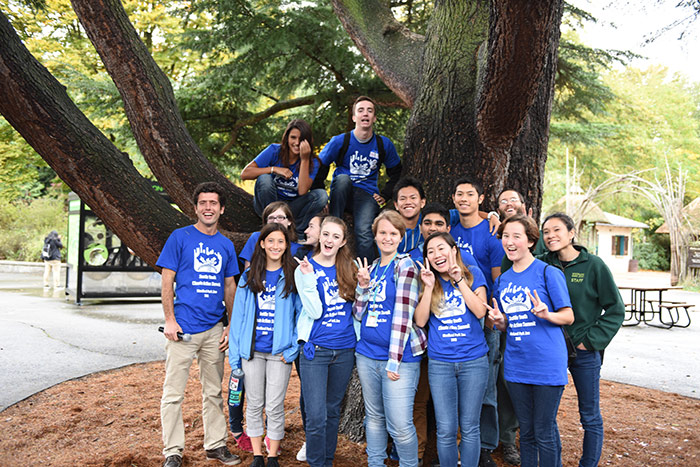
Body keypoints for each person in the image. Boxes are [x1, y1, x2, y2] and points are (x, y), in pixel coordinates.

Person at [156, 182, 241, 467]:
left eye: (213, 203)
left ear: (222, 209)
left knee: (214, 391)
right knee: (173, 394)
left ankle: (215, 445)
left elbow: (230, 287)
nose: (208, 208)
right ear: (195, 208)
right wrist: (170, 319)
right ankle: (173, 452)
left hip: (214, 329)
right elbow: (167, 279)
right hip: (182, 329)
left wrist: (230, 325)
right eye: (203, 203)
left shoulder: (226, 245)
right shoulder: (180, 238)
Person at [486, 214, 574, 467]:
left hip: (546, 364)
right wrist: (500, 322)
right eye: (505, 236)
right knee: (526, 431)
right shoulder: (502, 280)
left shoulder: (548, 273)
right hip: (516, 366)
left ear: (531, 241)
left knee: (544, 430)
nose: (510, 242)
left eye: (517, 236)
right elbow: (506, 325)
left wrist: (547, 314)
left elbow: (568, 316)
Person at [541, 213, 625, 467]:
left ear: (571, 233)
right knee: (546, 415)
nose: (551, 236)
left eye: (556, 230)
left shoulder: (594, 265)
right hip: (551, 350)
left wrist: (589, 341)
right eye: (546, 232)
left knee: (589, 415)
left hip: (584, 351)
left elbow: (615, 309)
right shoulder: (542, 264)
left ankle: (587, 464)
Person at [353, 209, 426, 467]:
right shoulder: (372, 268)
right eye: (382, 233)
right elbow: (359, 314)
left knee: (400, 424)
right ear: (374, 236)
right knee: (373, 418)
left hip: (400, 359)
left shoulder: (405, 266)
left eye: (393, 233)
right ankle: (375, 463)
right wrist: (362, 286)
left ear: (400, 237)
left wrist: (393, 361)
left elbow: (404, 316)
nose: (387, 237)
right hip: (367, 354)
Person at [229, 223, 301, 467]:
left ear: (286, 245)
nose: (275, 246)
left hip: (279, 353)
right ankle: (257, 455)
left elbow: (301, 315)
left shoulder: (293, 275)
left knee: (274, 405)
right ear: (261, 244)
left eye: (280, 241)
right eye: (270, 241)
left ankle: (273, 456)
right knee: (255, 403)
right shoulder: (250, 277)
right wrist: (235, 356)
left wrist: (293, 347)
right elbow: (237, 318)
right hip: (252, 353)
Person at [414, 232, 489, 467]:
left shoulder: (472, 274)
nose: (437, 255)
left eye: (441, 248)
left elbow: (480, 312)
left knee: (469, 426)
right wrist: (427, 287)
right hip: (440, 363)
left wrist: (459, 282)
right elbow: (420, 320)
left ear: (453, 250)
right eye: (430, 252)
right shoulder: (428, 280)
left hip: (474, 361)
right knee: (446, 428)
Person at [449, 177, 504, 467]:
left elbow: (496, 279)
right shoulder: (450, 228)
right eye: (459, 194)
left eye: (470, 194)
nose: (464, 198)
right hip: (451, 318)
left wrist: (494, 316)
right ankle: (452, 443)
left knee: (486, 387)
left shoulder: (491, 233)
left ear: (481, 199)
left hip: (483, 319)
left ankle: (484, 447)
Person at [295, 216, 358, 467]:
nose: (329, 240)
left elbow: (359, 308)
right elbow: (315, 311)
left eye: (336, 236)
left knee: (332, 412)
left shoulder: (350, 267)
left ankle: (327, 461)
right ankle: (316, 463)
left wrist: (362, 286)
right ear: (319, 236)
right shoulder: (305, 268)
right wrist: (310, 278)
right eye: (326, 234)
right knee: (316, 415)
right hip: (315, 350)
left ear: (343, 242)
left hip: (344, 349)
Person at [318, 96, 403, 262]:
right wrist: (321, 196)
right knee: (343, 179)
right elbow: (319, 166)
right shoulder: (340, 141)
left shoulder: (383, 144)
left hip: (366, 195)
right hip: (342, 192)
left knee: (364, 233)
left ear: (374, 118)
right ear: (354, 117)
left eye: (370, 111)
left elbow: (397, 171)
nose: (365, 113)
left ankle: (368, 274)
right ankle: (334, 222)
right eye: (361, 110)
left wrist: (385, 194)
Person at [240, 119, 328, 235]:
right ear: (287, 138)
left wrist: (305, 159)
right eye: (293, 137)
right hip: (269, 204)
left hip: (291, 208)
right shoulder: (274, 151)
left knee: (321, 195)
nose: (297, 142)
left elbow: (302, 191)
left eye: (301, 139)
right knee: (264, 179)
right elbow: (245, 174)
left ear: (307, 140)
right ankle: (270, 225)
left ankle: (297, 232)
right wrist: (274, 169)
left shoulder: (313, 161)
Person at [239, 201, 303, 269]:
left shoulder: (298, 248)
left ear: (289, 221)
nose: (275, 221)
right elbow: (247, 268)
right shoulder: (256, 237)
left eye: (280, 217)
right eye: (271, 218)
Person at [393, 177, 427, 254]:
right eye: (402, 199)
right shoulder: (390, 229)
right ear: (396, 205)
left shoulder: (430, 223)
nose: (408, 202)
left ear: (422, 202)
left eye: (413, 198)